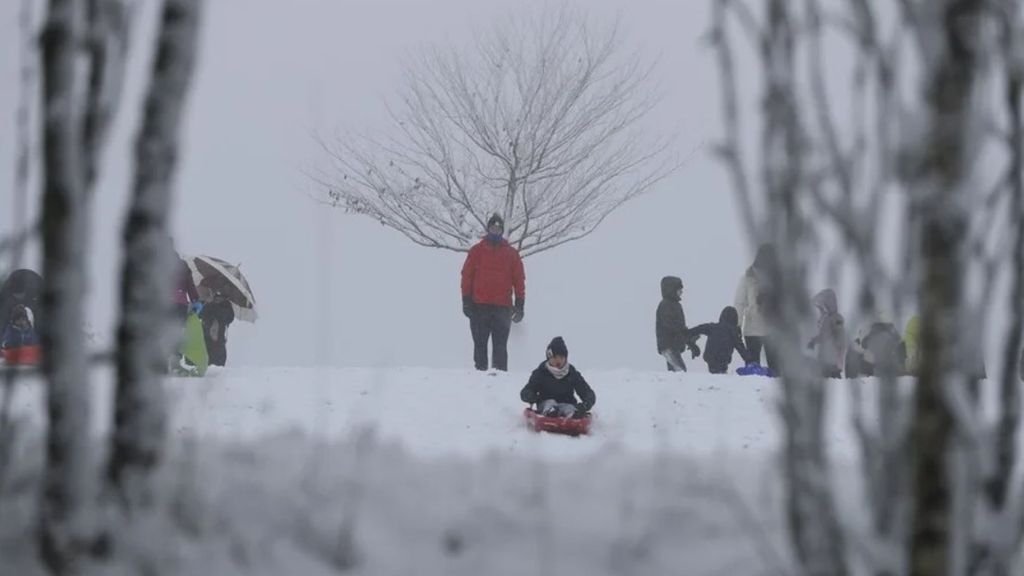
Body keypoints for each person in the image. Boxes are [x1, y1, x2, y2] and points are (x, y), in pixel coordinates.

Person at [460, 213, 525, 371]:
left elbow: (519, 280)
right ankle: (480, 379)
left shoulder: (511, 254)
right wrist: (466, 300)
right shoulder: (476, 251)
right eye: (492, 228)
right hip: (479, 307)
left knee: (500, 347)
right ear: (488, 229)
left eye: (498, 229)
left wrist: (520, 304)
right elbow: (466, 276)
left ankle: (500, 381)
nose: (495, 231)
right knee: (480, 345)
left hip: (502, 308)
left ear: (501, 231)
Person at [520, 337, 595, 419]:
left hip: (567, 403)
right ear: (549, 358)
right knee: (550, 403)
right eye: (555, 357)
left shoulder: (572, 373)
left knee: (569, 408)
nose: (558, 361)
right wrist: (530, 396)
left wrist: (585, 405)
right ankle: (550, 412)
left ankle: (573, 414)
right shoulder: (541, 373)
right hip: (545, 403)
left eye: (561, 357)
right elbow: (526, 391)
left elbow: (587, 392)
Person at [735, 244, 780, 372]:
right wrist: (736, 324)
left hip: (771, 328)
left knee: (774, 365)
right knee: (753, 364)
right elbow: (740, 303)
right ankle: (752, 389)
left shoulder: (777, 279)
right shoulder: (747, 279)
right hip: (753, 327)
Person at [656, 276, 700, 372]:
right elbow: (672, 327)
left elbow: (679, 328)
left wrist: (690, 341)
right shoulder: (666, 305)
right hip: (668, 345)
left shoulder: (675, 305)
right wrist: (687, 336)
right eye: (679, 289)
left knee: (676, 372)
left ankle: (671, 386)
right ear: (671, 290)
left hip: (673, 345)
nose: (681, 292)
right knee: (679, 371)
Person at [690, 306, 751, 374]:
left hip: (710, 358)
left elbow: (699, 328)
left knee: (714, 372)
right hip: (723, 359)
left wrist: (688, 333)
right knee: (720, 373)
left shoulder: (712, 327)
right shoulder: (733, 331)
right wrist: (749, 360)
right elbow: (740, 347)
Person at [807, 289, 847, 378]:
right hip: (824, 360)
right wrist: (814, 341)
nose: (822, 308)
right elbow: (824, 336)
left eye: (823, 305)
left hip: (832, 362)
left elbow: (841, 339)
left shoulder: (836, 318)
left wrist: (839, 358)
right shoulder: (827, 319)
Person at [198, 279, 235, 367]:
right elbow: (200, 314)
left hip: (216, 342)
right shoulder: (209, 303)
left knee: (216, 365)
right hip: (209, 341)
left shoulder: (225, 305)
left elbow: (229, 318)